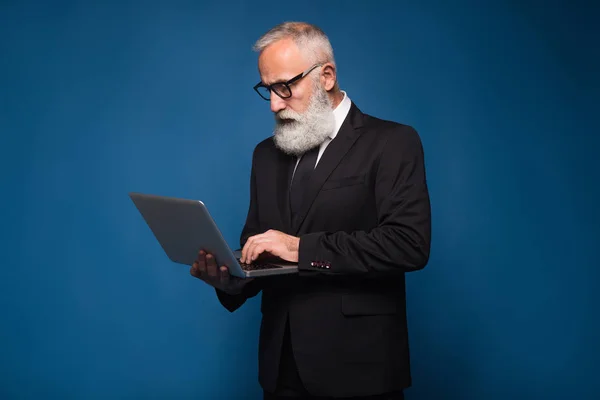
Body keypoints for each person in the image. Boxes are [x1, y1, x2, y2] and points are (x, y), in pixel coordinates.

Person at [190, 22, 431, 400]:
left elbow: (409, 244)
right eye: (267, 89)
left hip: (360, 368)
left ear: (327, 76)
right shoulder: (265, 155)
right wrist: (229, 278)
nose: (274, 103)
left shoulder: (392, 142)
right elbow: (260, 250)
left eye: (285, 86)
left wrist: (301, 249)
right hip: (281, 368)